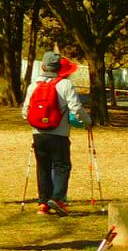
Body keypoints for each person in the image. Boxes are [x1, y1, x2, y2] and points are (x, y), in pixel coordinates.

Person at [21, 51, 87, 216]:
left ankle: (43, 203)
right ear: (60, 68)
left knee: (43, 167)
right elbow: (76, 108)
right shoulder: (65, 85)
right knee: (62, 166)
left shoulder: (33, 85)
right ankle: (57, 198)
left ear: (43, 66)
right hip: (59, 134)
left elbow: (25, 112)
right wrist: (87, 121)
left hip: (38, 134)